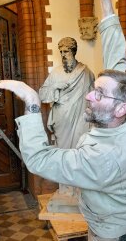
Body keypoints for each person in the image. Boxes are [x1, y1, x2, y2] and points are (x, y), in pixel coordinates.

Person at [0, 0, 126, 240]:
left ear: (120, 108)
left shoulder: (101, 159)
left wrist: (31, 104)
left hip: (108, 234)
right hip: (122, 224)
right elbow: (117, 60)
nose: (89, 96)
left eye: (98, 94)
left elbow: (39, 160)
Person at [39, 37, 94, 211]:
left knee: (79, 151)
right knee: (63, 153)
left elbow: (93, 97)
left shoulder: (86, 72)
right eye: (61, 52)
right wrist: (57, 87)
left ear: (74, 51)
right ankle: (65, 190)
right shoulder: (55, 73)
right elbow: (43, 94)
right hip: (62, 120)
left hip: (80, 119)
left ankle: (79, 189)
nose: (63, 55)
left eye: (66, 51)